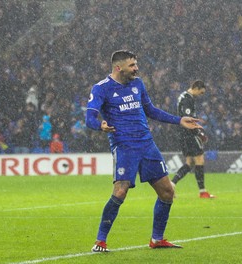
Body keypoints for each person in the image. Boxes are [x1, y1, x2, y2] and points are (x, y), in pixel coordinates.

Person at [86, 50, 202, 252]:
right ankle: (100, 241)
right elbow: (89, 118)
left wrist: (179, 120)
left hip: (147, 145)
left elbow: (151, 111)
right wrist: (100, 126)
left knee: (167, 192)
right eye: (132, 65)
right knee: (120, 192)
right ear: (118, 67)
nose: (136, 68)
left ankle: (157, 239)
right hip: (124, 146)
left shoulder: (137, 84)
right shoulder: (101, 88)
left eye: (136, 64)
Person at [171, 80, 215, 198]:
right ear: (195, 88)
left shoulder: (184, 97)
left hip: (183, 134)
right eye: (200, 92)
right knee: (200, 160)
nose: (201, 95)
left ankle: (171, 184)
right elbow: (188, 118)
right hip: (189, 134)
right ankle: (202, 191)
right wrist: (199, 132)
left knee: (189, 163)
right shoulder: (187, 99)